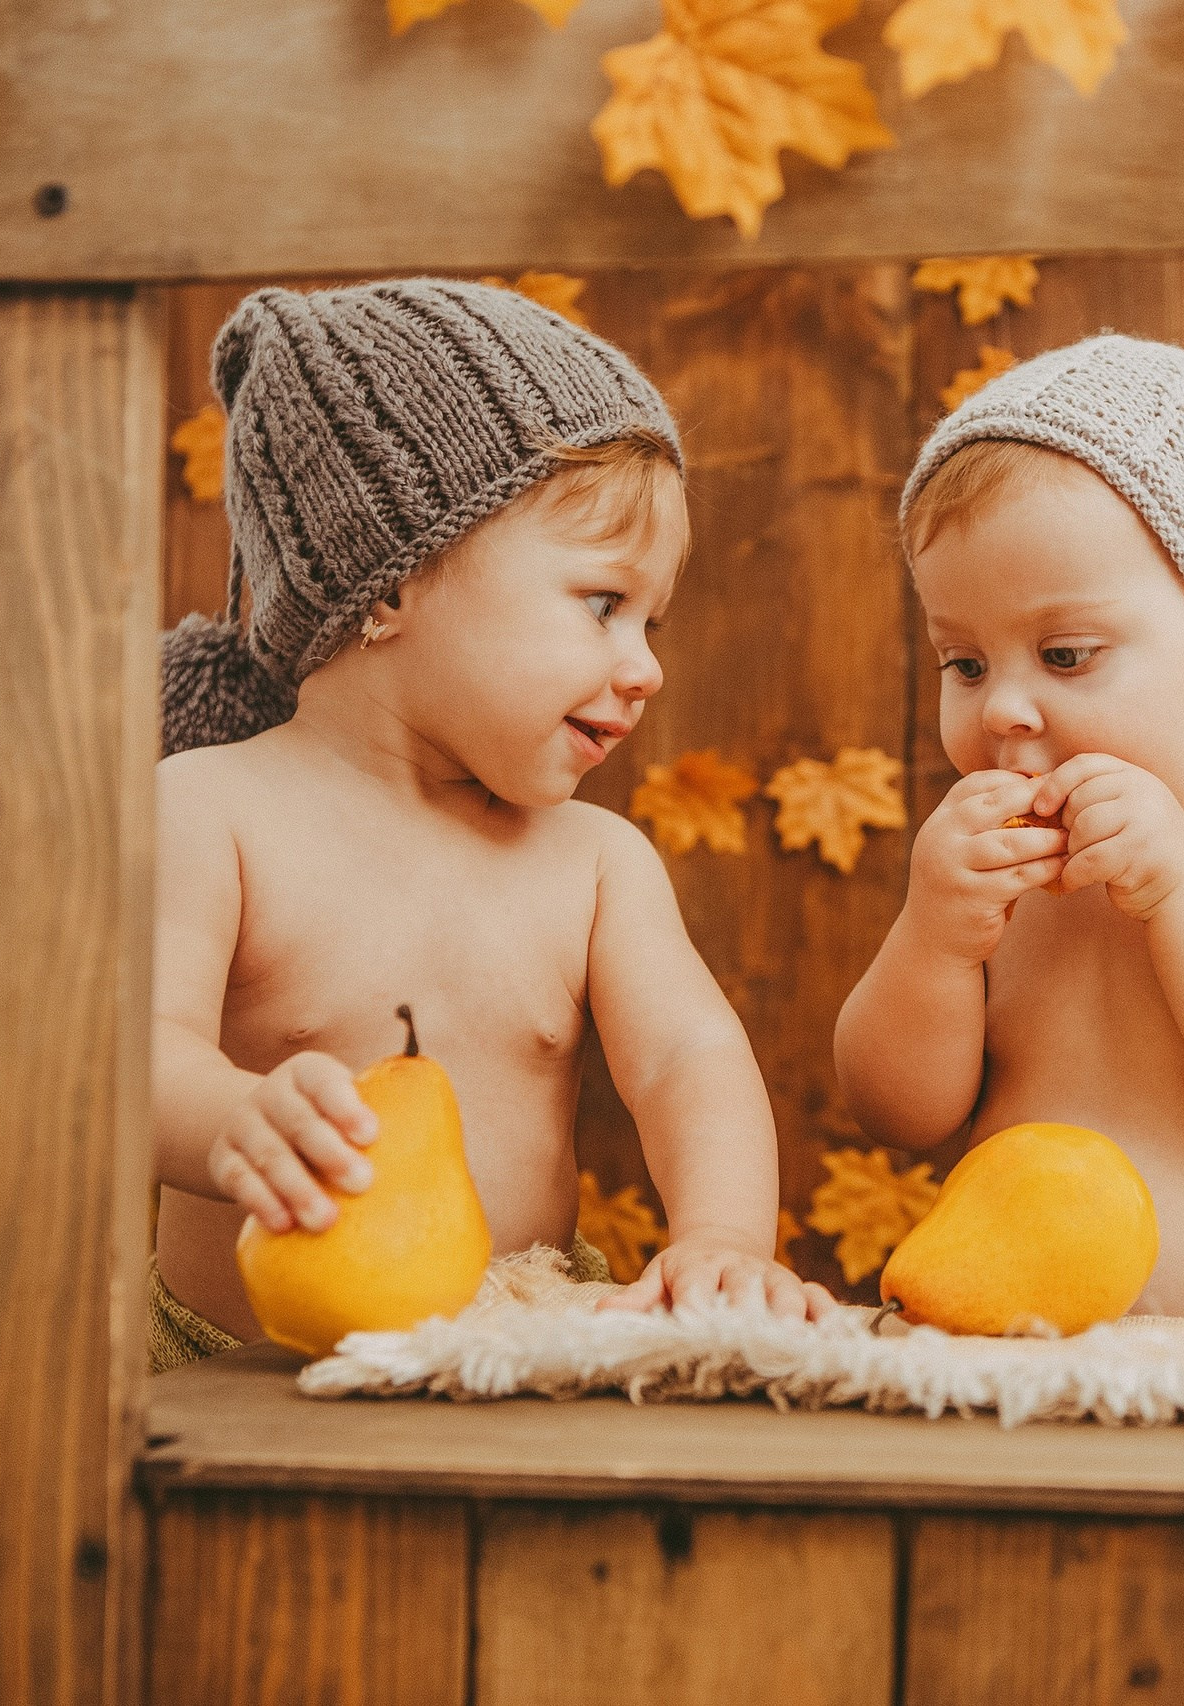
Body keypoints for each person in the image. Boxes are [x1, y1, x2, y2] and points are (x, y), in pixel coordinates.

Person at [149, 279, 832, 1374]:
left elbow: (686, 1058)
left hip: (523, 1347)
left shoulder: (595, 863)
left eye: (653, 622)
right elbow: (133, 1050)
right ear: (389, 587)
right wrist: (230, 1116)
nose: (645, 667)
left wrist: (721, 1236)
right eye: (603, 603)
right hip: (240, 1361)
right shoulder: (212, 810)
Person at [836, 335, 1184, 1319]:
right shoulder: (994, 874)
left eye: (1065, 655)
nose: (1002, 707)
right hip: (1023, 1360)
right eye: (964, 664)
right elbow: (896, 1112)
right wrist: (932, 939)